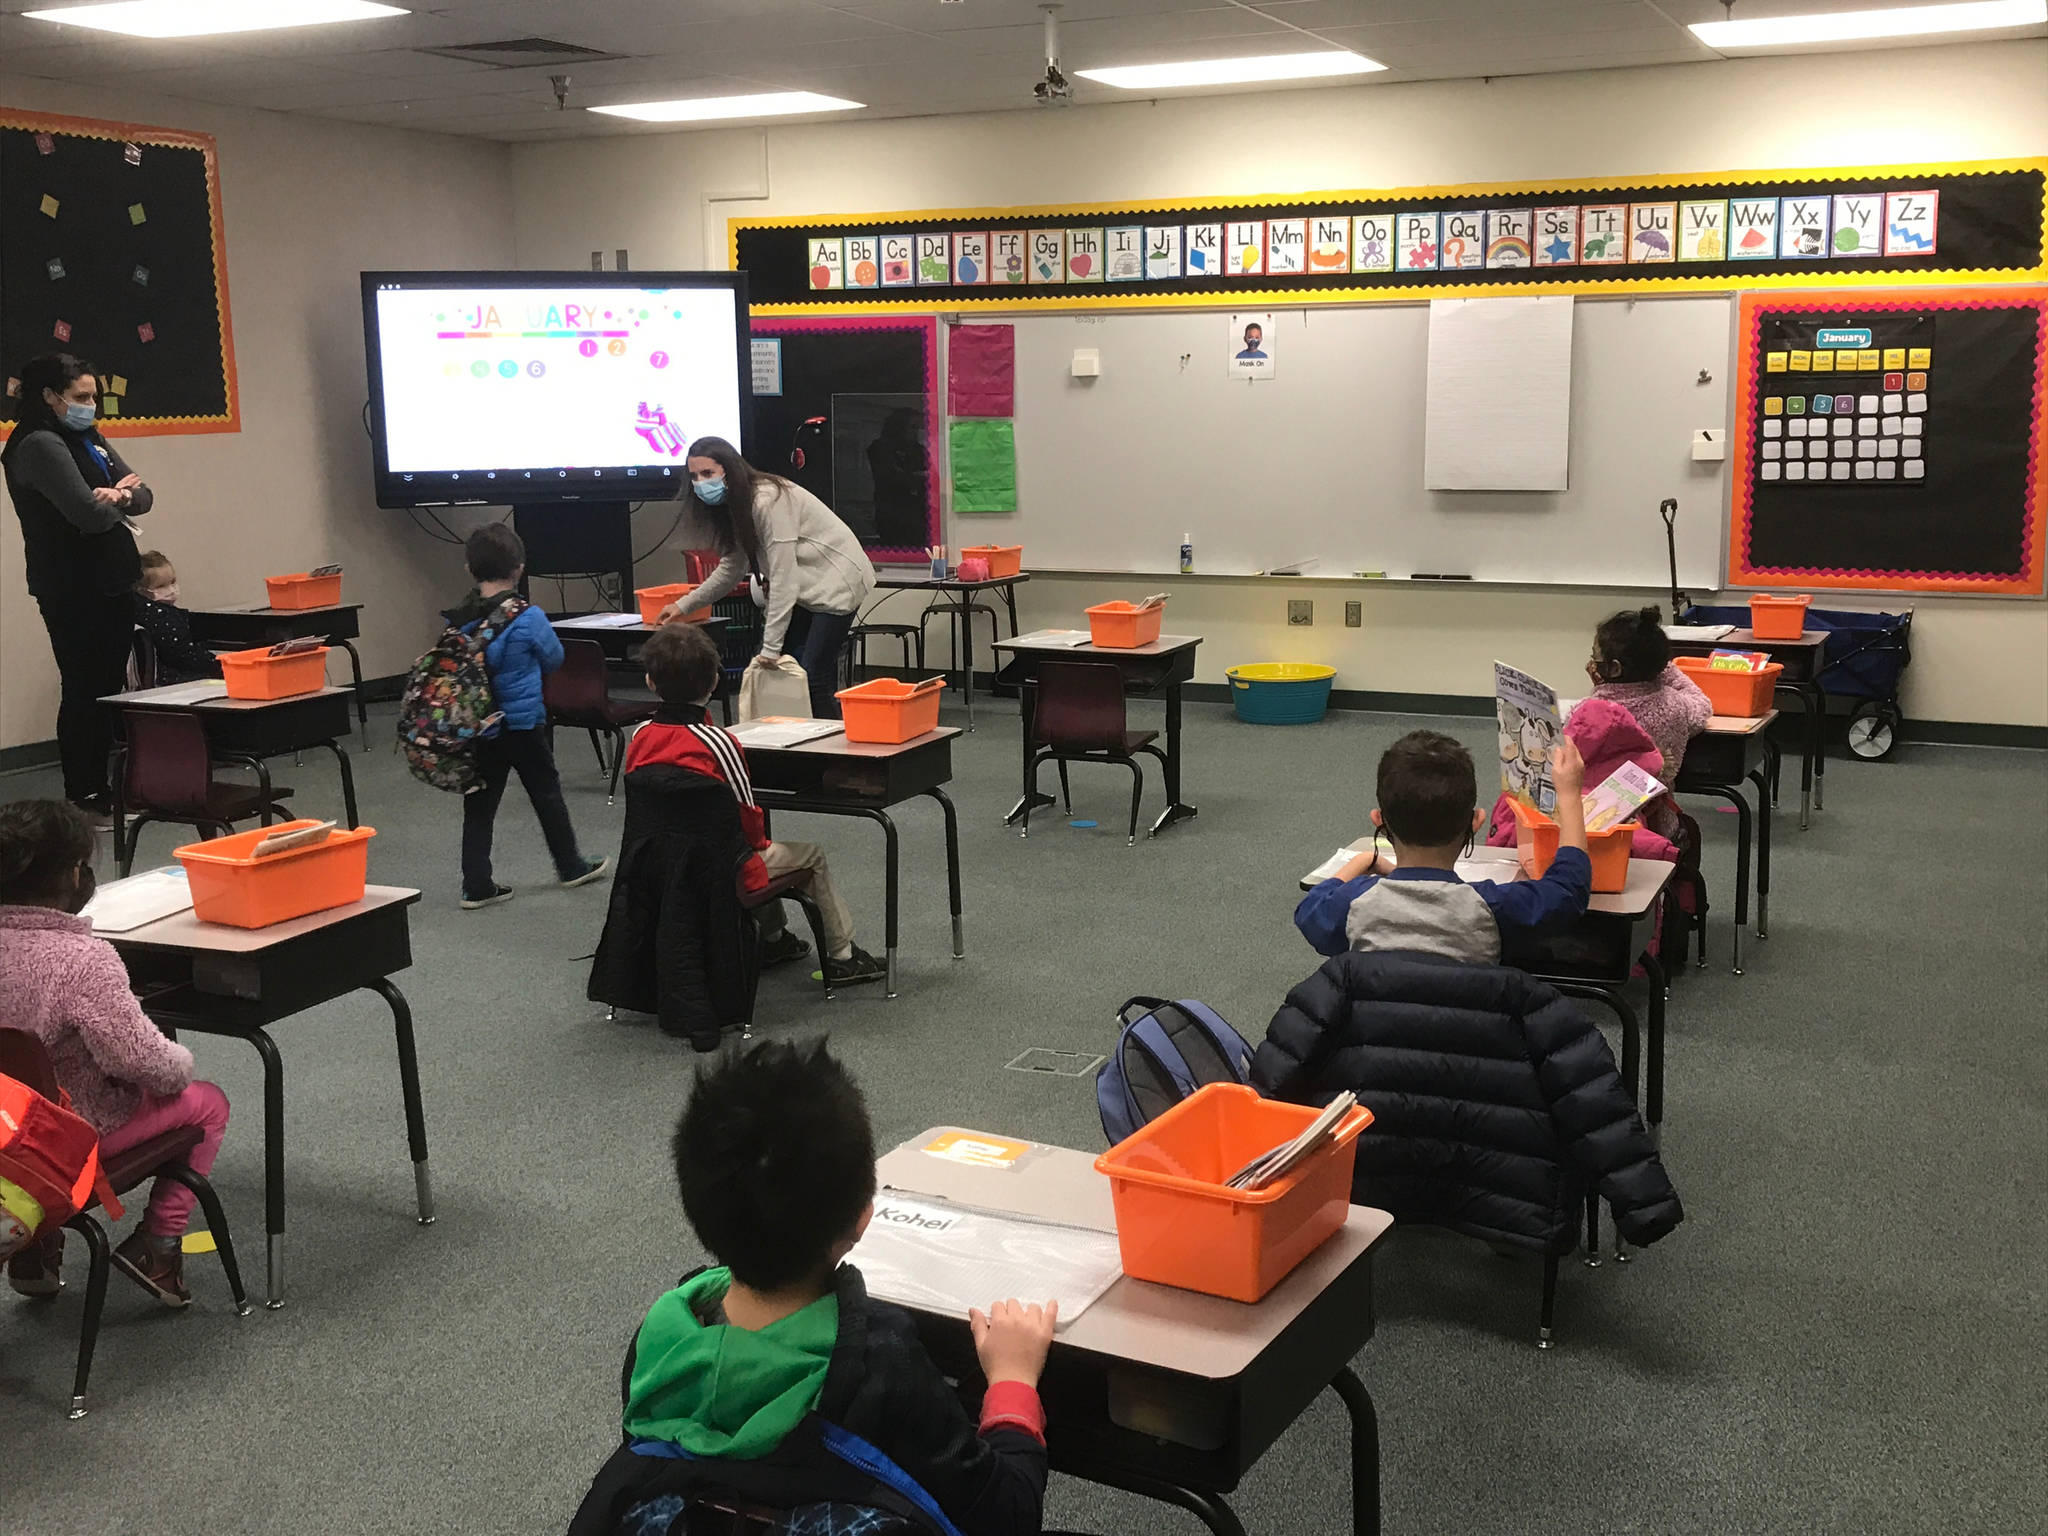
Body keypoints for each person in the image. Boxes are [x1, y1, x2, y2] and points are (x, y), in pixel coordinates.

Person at [569, 1040, 1059, 1536]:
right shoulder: (879, 1362)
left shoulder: (660, 1339)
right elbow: (1007, 1516)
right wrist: (1012, 1382)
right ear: (864, 1217)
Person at [0, 799, 229, 1306]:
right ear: (72, 874)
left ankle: (34, 1251)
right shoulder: (83, 961)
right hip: (66, 1140)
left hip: (3, 1136)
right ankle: (159, 1245)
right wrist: (180, 1063)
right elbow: (142, 1063)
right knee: (208, 1102)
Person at [628, 622, 884, 986]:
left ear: (651, 683)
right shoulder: (720, 744)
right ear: (715, 681)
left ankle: (775, 939)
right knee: (804, 854)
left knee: (753, 849)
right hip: (720, 869)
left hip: (656, 866)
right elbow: (748, 824)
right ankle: (842, 955)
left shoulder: (639, 737)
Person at [1, 354, 154, 817]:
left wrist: (121, 495)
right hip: (72, 584)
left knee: (106, 685)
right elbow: (85, 515)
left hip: (109, 578)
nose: (92, 406)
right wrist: (113, 498)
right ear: (49, 397)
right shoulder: (39, 444)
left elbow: (144, 495)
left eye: (94, 396)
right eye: (81, 397)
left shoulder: (85, 436)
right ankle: (85, 794)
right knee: (85, 687)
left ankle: (106, 786)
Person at [1295, 728, 1591, 962]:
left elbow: (1310, 910)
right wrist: (1569, 797)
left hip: (1368, 1036)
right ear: (1476, 822)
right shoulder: (1492, 906)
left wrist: (1363, 861)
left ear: (1379, 822)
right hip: (1472, 1037)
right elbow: (1568, 890)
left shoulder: (1352, 903)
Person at [657, 436, 876, 719]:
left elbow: (785, 578)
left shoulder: (767, 500)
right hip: (807, 587)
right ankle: (802, 746)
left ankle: (838, 756)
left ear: (730, 470)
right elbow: (731, 568)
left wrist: (771, 649)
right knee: (791, 675)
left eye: (708, 473)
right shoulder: (734, 505)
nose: (701, 483)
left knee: (813, 679)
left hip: (837, 583)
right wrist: (683, 605)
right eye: (694, 476)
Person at [449, 523, 607, 910]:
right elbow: (554, 658)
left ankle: (476, 884)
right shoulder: (528, 616)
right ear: (519, 568)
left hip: (482, 729)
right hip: (524, 725)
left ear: (470, 569)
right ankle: (570, 866)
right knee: (547, 796)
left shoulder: (460, 619)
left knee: (480, 807)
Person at [1583, 606, 1712, 837]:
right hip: (1655, 830)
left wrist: (1600, 688)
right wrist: (1663, 668)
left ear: (1613, 668)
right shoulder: (1674, 705)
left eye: (1595, 656)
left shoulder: (1589, 711)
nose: (1592, 662)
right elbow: (1702, 706)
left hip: (1593, 828)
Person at [132, 550, 222, 685]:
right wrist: (218, 663)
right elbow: (182, 654)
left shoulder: (159, 613)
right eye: (161, 586)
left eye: (172, 582)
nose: (171, 589)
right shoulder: (160, 617)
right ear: (142, 591)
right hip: (170, 680)